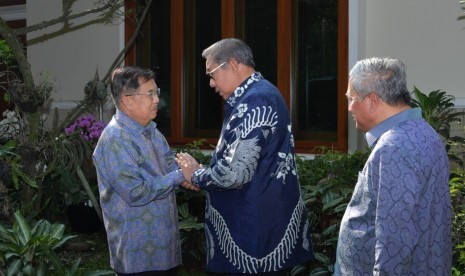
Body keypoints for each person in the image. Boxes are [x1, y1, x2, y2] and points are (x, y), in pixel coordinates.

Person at [176, 38, 313, 275]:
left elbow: (235, 173)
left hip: (255, 236)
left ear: (232, 64)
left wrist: (197, 174)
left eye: (212, 73)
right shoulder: (256, 94)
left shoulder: (256, 99)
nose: (210, 83)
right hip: (259, 229)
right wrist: (202, 174)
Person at [334, 57, 452, 275]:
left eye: (352, 99)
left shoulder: (394, 147)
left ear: (372, 101)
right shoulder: (423, 131)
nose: (350, 107)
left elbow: (395, 239)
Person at [92, 66, 198, 275]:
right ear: (127, 101)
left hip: (164, 249)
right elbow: (135, 191)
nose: (157, 99)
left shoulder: (152, 131)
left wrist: (192, 173)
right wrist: (180, 176)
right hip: (136, 255)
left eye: (156, 92)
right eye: (149, 94)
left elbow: (169, 167)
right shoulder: (115, 139)